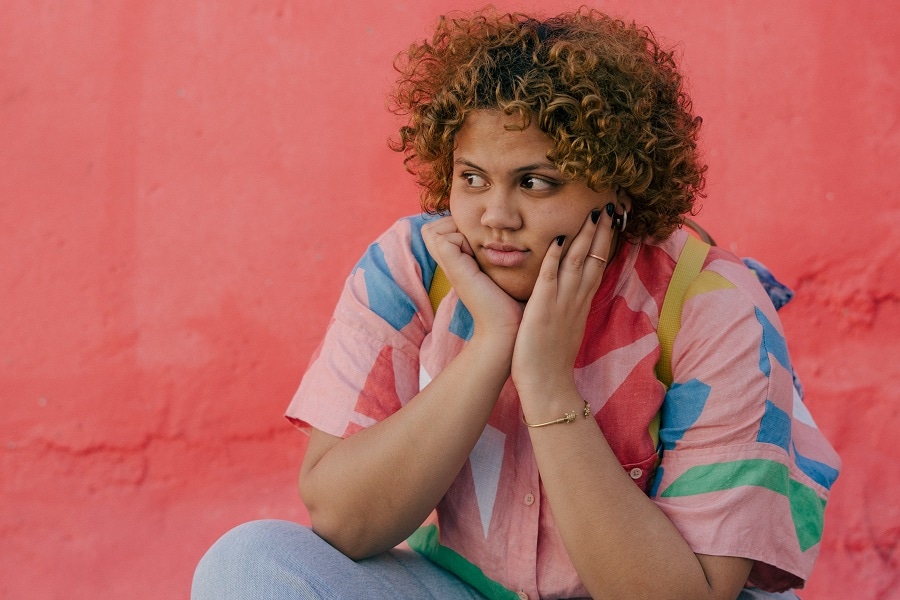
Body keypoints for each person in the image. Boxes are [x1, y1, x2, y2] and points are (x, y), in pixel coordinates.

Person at [192, 8, 840, 599]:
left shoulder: (711, 306)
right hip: (460, 588)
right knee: (249, 564)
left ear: (617, 184)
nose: (495, 216)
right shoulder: (416, 268)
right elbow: (341, 521)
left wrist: (547, 383)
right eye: (472, 178)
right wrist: (492, 346)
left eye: (535, 182)